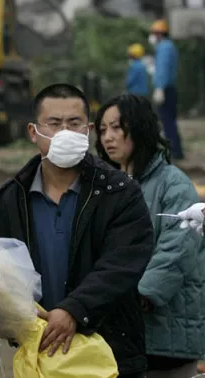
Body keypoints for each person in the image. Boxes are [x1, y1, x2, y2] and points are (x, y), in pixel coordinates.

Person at [0, 83, 154, 378]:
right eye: (54, 123)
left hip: (109, 351)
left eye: (74, 124)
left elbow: (122, 262)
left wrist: (75, 310)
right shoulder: (6, 201)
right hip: (37, 350)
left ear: (87, 130)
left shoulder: (120, 193)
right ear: (34, 132)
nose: (65, 133)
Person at [95, 94, 205, 378]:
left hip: (165, 328)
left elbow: (177, 249)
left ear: (140, 127)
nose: (109, 137)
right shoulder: (104, 187)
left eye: (118, 127)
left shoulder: (173, 184)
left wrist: (140, 296)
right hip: (117, 329)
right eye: (103, 129)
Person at [149, 19, 183, 160]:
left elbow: (163, 69)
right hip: (170, 88)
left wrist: (160, 88)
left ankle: (174, 152)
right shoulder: (170, 46)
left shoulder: (164, 48)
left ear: (159, 34)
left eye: (154, 33)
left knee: (167, 120)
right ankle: (177, 151)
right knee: (170, 121)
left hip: (166, 88)